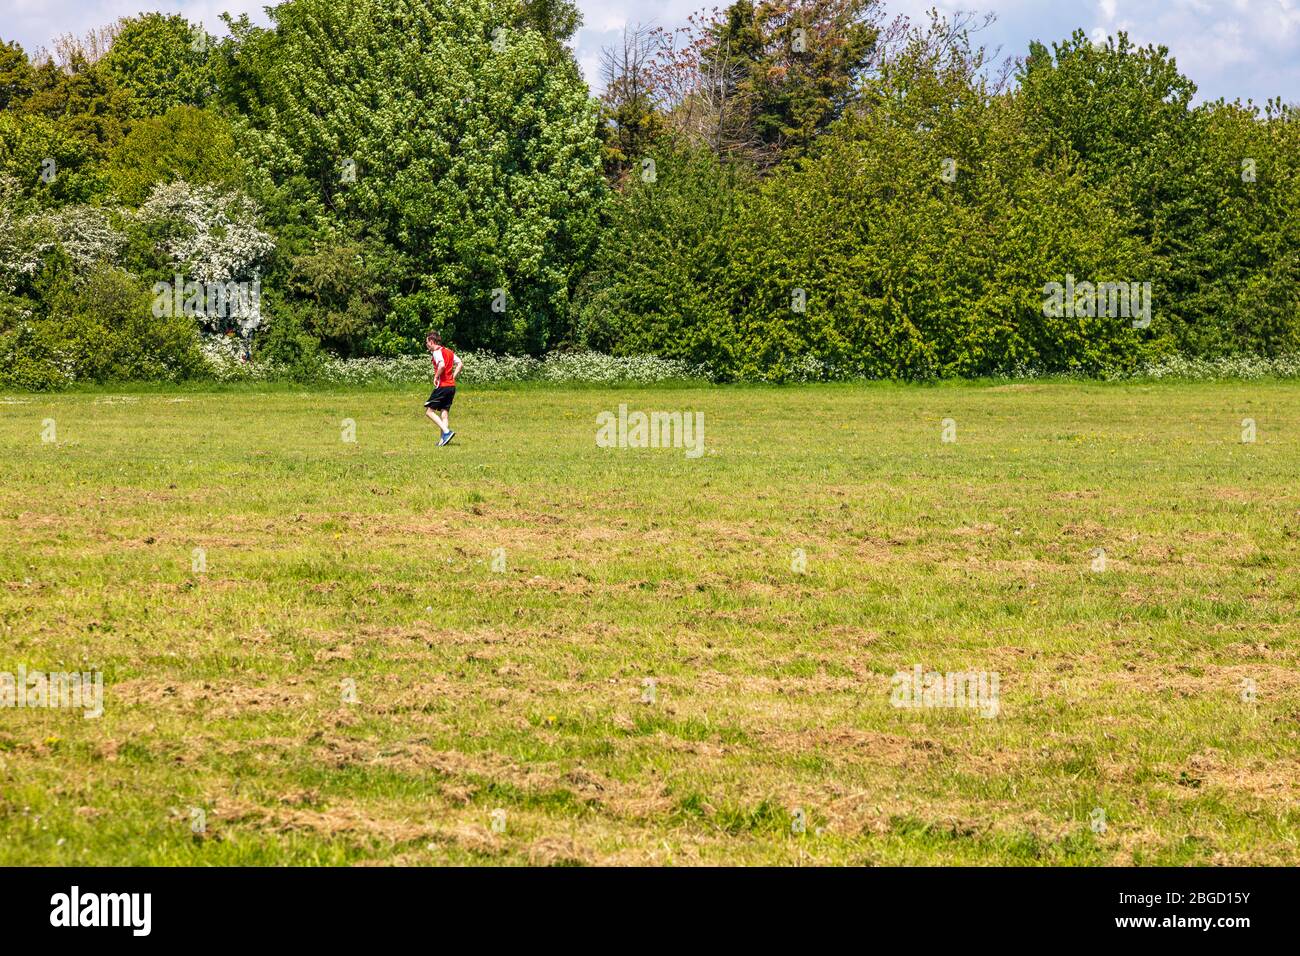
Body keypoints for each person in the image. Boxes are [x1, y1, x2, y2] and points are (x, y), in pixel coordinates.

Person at [423, 331, 461, 446]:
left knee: (429, 412)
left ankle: (446, 432)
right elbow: (460, 363)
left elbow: (442, 365)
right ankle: (442, 441)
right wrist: (453, 377)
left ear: (431, 341)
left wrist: (436, 376)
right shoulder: (449, 351)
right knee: (444, 413)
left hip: (443, 386)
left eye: (427, 342)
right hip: (451, 386)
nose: (426, 345)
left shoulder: (436, 352)